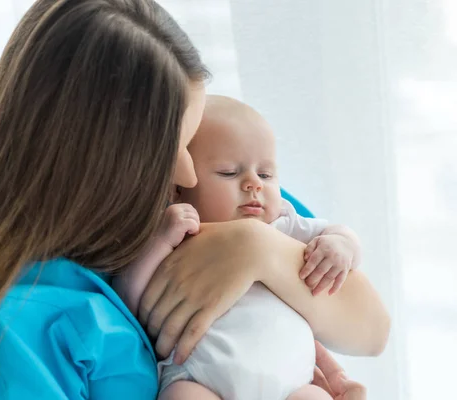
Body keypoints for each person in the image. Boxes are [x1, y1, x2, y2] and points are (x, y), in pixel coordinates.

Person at [0, 1, 390, 399]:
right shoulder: (15, 325)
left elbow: (371, 330)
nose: (186, 170)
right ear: (100, 160)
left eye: (193, 138)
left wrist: (256, 250)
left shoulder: (236, 203)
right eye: (173, 147)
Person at [113, 95, 363, 400]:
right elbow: (128, 298)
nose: (254, 184)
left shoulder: (284, 224)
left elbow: (341, 235)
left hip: (294, 386)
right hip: (199, 377)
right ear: (176, 188)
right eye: (229, 172)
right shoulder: (173, 235)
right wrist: (161, 241)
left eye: (266, 174)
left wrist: (342, 244)